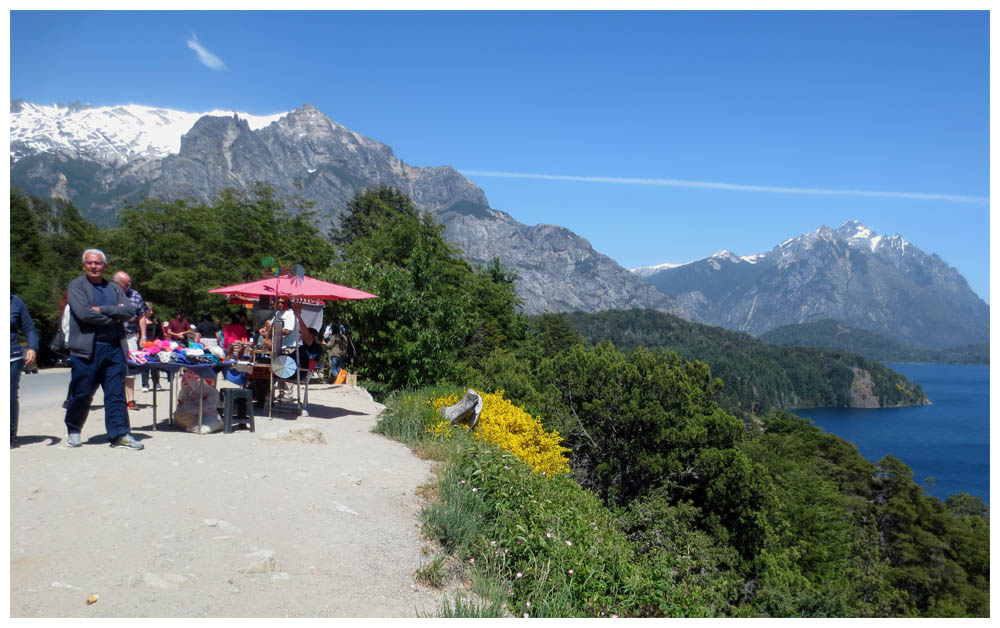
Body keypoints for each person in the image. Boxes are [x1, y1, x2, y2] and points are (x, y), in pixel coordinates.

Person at [63, 249, 143, 450]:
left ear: (104, 266)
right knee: (82, 392)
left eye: (98, 263)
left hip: (114, 348)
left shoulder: (114, 288)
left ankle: (119, 434)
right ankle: (73, 428)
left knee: (116, 393)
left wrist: (104, 310)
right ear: (84, 265)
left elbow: (130, 310)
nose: (94, 266)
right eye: (90, 263)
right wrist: (114, 317)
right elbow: (83, 314)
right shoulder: (77, 286)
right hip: (86, 350)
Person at [113, 271, 147, 410]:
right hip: (113, 334)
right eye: (126, 284)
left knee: (131, 367)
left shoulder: (135, 295)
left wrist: (143, 336)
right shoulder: (109, 294)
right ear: (117, 284)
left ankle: (131, 400)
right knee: (114, 367)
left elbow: (142, 316)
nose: (129, 285)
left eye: (130, 282)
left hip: (130, 335)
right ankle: (117, 399)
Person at [10, 294, 39, 448]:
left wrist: (32, 347)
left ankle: (10, 434)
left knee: (9, 395)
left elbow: (29, 328)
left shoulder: (15, 302)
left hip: (12, 356)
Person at [140, 303, 168, 392]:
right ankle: (145, 384)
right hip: (143, 345)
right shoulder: (140, 319)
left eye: (152, 310)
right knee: (144, 365)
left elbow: (160, 333)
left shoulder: (156, 320)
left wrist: (161, 343)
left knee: (154, 365)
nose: (151, 312)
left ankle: (156, 381)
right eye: (149, 310)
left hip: (154, 344)